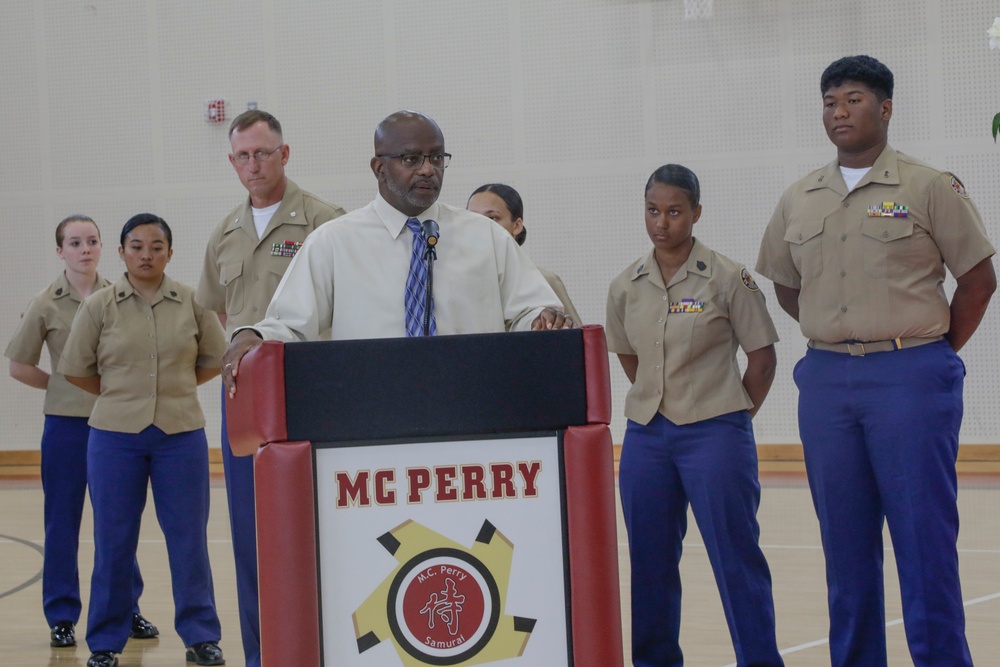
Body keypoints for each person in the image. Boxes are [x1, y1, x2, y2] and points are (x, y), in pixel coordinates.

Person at [756, 55, 996, 666]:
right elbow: (787, 286)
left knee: (924, 545)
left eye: (854, 99)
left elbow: (978, 280)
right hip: (828, 381)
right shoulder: (799, 197)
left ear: (886, 108)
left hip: (911, 376)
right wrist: (838, 334)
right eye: (830, 102)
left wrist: (932, 354)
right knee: (845, 547)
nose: (839, 112)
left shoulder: (928, 186)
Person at [222, 110, 572, 392]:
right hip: (373, 411)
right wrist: (250, 336)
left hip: (475, 403)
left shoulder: (486, 238)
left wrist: (542, 319)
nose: (427, 169)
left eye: (436, 158)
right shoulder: (334, 242)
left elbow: (529, 313)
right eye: (411, 158)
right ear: (379, 167)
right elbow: (289, 325)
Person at [606, 164, 784, 667]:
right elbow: (631, 361)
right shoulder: (625, 286)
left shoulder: (728, 277)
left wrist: (731, 419)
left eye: (674, 212)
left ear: (696, 213)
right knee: (650, 564)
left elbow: (763, 358)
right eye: (653, 211)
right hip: (647, 437)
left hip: (716, 433)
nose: (662, 223)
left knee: (736, 558)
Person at [195, 109, 346, 667]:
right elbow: (216, 308)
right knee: (250, 534)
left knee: (317, 529)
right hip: (245, 397)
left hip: (309, 391)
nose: (253, 164)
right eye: (242, 155)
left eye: (263, 153)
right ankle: (263, 656)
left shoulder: (327, 224)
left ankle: (324, 650)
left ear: (285, 154)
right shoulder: (225, 234)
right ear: (231, 161)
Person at [60, 214, 229, 667]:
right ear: (121, 252)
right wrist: (124, 396)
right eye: (136, 246)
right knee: (113, 541)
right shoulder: (99, 306)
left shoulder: (192, 302)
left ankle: (201, 637)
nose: (146, 254)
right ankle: (104, 643)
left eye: (156, 246)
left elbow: (214, 359)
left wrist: (168, 392)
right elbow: (77, 367)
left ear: (170, 253)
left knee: (189, 541)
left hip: (181, 436)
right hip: (114, 439)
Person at [4, 215, 158, 649]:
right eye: (74, 242)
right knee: (63, 521)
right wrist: (62, 386)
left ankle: (125, 610)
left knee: (117, 522)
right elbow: (18, 364)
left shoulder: (121, 296)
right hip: (67, 430)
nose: (84, 249)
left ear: (103, 248)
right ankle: (62, 615)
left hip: (116, 426)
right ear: (60, 252)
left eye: (92, 241)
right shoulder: (46, 303)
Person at [468, 183, 582, 323]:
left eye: (492, 218)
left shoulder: (544, 279)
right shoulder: (458, 281)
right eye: (472, 219)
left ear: (516, 226)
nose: (480, 226)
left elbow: (575, 335)